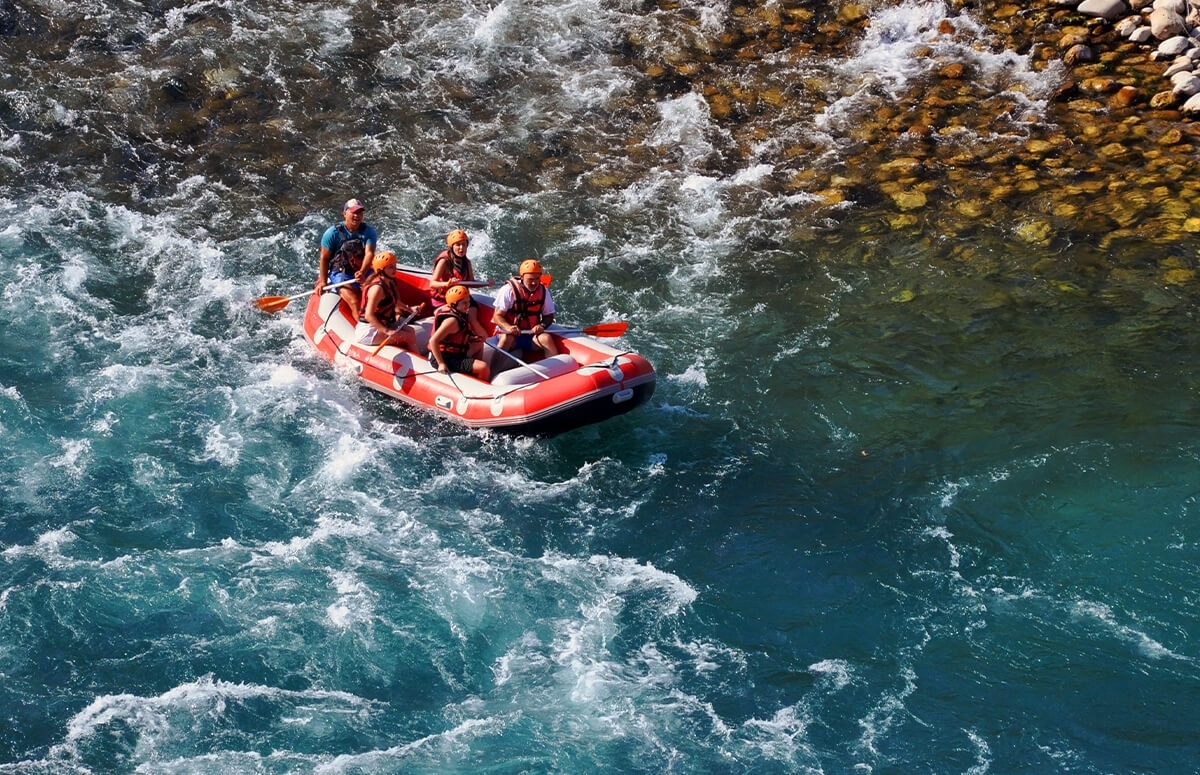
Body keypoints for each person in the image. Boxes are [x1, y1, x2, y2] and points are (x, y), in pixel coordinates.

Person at [315, 198, 377, 321]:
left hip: (361, 270)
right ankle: (364, 330)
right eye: (353, 212)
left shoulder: (369, 232)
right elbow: (324, 258)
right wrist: (322, 281)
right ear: (344, 213)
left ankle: (393, 318)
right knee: (354, 301)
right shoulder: (332, 233)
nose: (357, 216)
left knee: (380, 290)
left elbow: (369, 253)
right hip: (340, 272)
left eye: (359, 213)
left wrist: (363, 272)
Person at [492, 258, 558, 358]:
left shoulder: (543, 291)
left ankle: (555, 370)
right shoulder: (508, 290)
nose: (534, 283)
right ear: (522, 277)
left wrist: (542, 325)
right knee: (507, 339)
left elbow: (549, 316)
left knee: (546, 339)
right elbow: (497, 316)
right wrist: (508, 327)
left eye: (537, 279)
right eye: (530, 279)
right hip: (510, 335)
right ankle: (493, 371)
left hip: (530, 335)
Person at [355, 251, 418, 351]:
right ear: (381, 270)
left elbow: (393, 302)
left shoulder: (389, 283)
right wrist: (386, 331)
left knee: (411, 331)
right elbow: (368, 315)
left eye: (394, 266)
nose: (394, 270)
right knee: (409, 337)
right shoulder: (377, 289)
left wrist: (410, 309)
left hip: (381, 324)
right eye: (390, 267)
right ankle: (418, 363)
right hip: (368, 331)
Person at [428, 285, 491, 381]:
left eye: (468, 302)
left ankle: (473, 374)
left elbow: (456, 336)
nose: (468, 305)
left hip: (456, 352)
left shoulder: (460, 313)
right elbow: (433, 341)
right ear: (454, 305)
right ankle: (480, 384)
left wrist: (471, 339)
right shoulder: (452, 321)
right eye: (464, 303)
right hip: (446, 358)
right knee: (483, 367)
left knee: (478, 343)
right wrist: (441, 363)